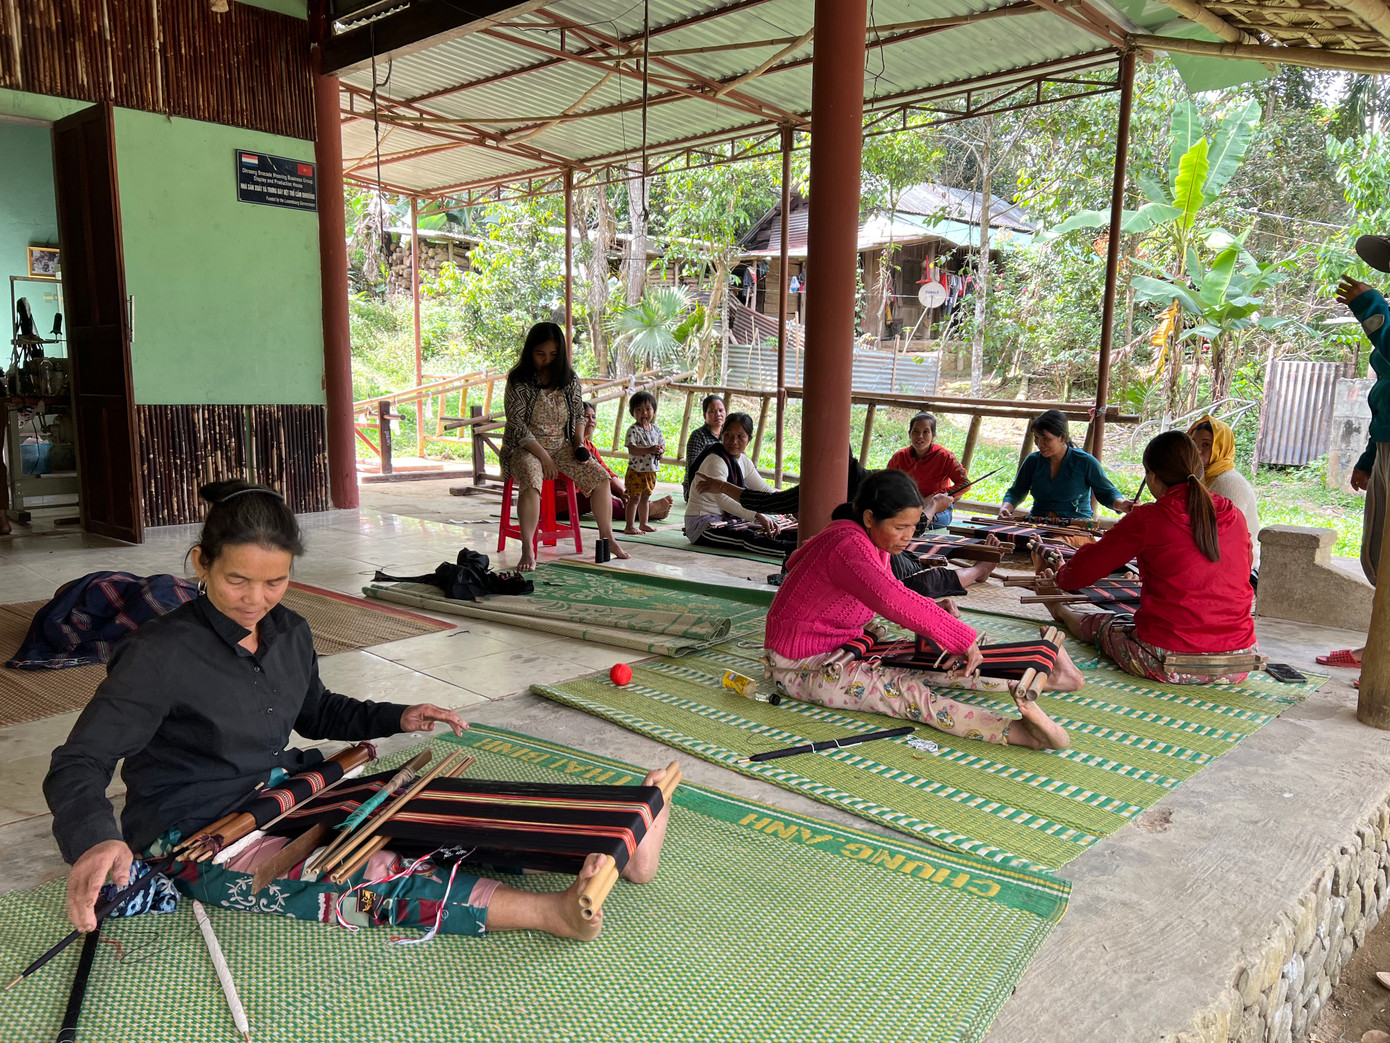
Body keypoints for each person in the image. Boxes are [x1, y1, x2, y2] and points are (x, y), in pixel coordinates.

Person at [43, 482, 671, 942]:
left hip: (286, 791)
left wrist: (399, 716)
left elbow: (316, 710)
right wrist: (96, 839)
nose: (255, 600)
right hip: (193, 829)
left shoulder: (288, 630)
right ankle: (547, 912)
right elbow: (79, 761)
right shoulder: (157, 654)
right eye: (237, 580)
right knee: (342, 878)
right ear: (200, 564)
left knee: (415, 812)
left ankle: (616, 835)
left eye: (275, 581)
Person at [763, 470, 1077, 749]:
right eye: (900, 527)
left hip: (843, 645)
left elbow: (888, 591)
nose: (908, 536)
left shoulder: (866, 539)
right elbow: (889, 598)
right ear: (870, 518)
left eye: (913, 527)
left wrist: (931, 611)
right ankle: (1019, 733)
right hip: (800, 665)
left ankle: (1045, 678)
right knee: (907, 693)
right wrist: (957, 635)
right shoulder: (848, 545)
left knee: (939, 662)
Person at [1035, 431, 1258, 685]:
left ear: (1152, 476)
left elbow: (1083, 571)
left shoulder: (1149, 519)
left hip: (1167, 660)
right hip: (1239, 659)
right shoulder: (1235, 516)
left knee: (1103, 624)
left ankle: (1061, 610)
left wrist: (1062, 577)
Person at [500, 322, 627, 570]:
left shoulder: (568, 379)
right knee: (531, 479)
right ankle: (528, 545)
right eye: (540, 354)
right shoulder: (519, 380)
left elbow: (579, 414)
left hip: (562, 446)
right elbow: (517, 425)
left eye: (553, 354)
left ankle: (608, 538)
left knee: (600, 478)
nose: (547, 360)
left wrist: (579, 442)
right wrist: (545, 458)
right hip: (526, 448)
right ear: (530, 352)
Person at [1315, 263, 1390, 678]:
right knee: (1378, 555)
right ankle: (1376, 648)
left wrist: (1369, 305)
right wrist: (1369, 459)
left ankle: (1381, 662)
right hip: (1385, 446)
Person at [683, 412, 796, 556]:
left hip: (725, 520)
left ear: (749, 439)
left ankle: (799, 543)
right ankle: (790, 551)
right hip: (703, 525)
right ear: (722, 434)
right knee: (746, 538)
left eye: (740, 436)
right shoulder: (715, 461)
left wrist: (787, 502)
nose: (733, 441)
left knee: (774, 529)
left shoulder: (743, 461)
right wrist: (758, 515)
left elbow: (764, 490)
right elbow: (723, 499)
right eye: (728, 435)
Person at [1000, 409, 1132, 521]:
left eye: (1046, 439)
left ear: (1062, 438)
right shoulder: (1032, 461)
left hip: (1076, 527)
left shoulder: (1085, 462)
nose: (1040, 444)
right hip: (1039, 524)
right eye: (1037, 438)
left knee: (1047, 548)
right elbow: (1017, 491)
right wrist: (1006, 508)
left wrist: (1122, 505)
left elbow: (1107, 492)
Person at [556, 402, 671, 523]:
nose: (591, 420)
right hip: (561, 501)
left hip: (584, 492)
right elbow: (589, 481)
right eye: (586, 416)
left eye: (593, 417)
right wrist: (606, 494)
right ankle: (645, 511)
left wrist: (623, 491)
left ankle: (645, 506)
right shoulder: (567, 447)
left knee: (615, 489)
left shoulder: (589, 446)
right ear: (575, 421)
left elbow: (606, 472)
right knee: (597, 495)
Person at [1187, 414, 1259, 563]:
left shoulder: (1229, 483)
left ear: (1222, 447)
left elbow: (1223, 536)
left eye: (1206, 444)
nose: (1197, 450)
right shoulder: (1199, 478)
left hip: (1239, 565)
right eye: (1193, 444)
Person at [887, 412, 968, 527]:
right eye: (915, 431)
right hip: (908, 506)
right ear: (909, 434)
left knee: (918, 521)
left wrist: (935, 496)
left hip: (938, 509)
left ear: (933, 436)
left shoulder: (944, 456)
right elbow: (886, 483)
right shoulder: (900, 456)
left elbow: (965, 483)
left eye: (926, 432)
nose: (920, 436)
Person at [623, 391, 665, 534]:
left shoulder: (656, 430)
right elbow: (633, 449)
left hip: (651, 470)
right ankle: (629, 526)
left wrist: (660, 451)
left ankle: (643, 523)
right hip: (636, 470)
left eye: (648, 409)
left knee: (646, 497)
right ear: (632, 412)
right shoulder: (633, 430)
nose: (644, 413)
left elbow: (662, 445)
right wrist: (649, 449)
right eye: (639, 409)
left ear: (654, 411)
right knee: (634, 498)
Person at [681, 395, 726, 500]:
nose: (718, 414)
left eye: (721, 410)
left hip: (723, 484)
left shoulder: (728, 435)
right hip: (698, 487)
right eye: (712, 411)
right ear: (704, 415)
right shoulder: (698, 436)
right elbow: (693, 468)